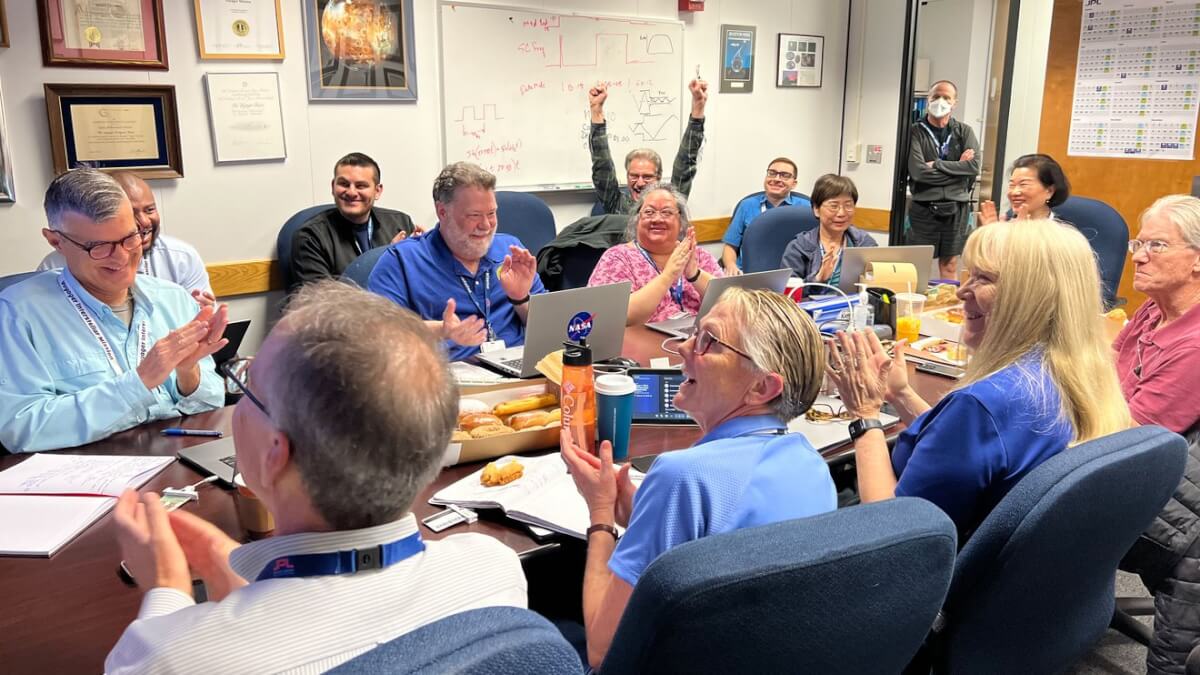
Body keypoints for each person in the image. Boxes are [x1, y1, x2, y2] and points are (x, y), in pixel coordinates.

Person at [104, 282, 527, 674]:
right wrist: (227, 570)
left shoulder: (173, 657)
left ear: (275, 455)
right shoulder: (493, 570)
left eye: (246, 383)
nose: (241, 390)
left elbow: (170, 658)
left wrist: (166, 591)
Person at [561, 287, 836, 669]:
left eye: (709, 341)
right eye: (695, 331)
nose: (684, 347)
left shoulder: (681, 475)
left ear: (762, 386)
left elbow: (604, 651)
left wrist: (602, 513)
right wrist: (639, 512)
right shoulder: (811, 464)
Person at [827, 220, 1130, 539]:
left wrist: (865, 416)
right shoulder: (1074, 375)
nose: (961, 291)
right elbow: (968, 447)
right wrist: (900, 394)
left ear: (1028, 298)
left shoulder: (983, 404)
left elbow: (890, 533)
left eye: (982, 278)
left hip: (930, 575)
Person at [0, 169, 226, 453]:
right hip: (84, 477)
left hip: (176, 462)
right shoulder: (18, 313)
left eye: (130, 238)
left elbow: (211, 402)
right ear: (56, 242)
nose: (121, 257)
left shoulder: (172, 298)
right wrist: (139, 382)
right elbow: (21, 429)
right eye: (99, 247)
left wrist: (187, 371)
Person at [1110, 195, 1200, 675]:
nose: (1139, 256)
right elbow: (1106, 371)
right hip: (1131, 458)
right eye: (1137, 243)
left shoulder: (1196, 345)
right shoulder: (1153, 309)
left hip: (1170, 512)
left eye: (1157, 245)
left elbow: (1128, 436)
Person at [368, 162, 545, 361]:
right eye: (474, 215)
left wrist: (520, 299)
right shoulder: (401, 260)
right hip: (446, 380)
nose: (486, 225)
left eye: (492, 213)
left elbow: (547, 331)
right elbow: (380, 334)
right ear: (442, 212)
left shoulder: (510, 250)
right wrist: (441, 330)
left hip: (519, 377)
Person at [38, 171, 214, 305]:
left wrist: (199, 316)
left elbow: (204, 325)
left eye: (150, 209)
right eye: (101, 246)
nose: (144, 222)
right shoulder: (52, 271)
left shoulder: (180, 258)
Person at [587, 183, 723, 325]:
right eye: (649, 212)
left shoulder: (699, 256)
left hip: (698, 341)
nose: (657, 219)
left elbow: (733, 305)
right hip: (643, 344)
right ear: (637, 219)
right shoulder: (617, 259)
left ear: (681, 221)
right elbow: (614, 317)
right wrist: (668, 275)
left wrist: (695, 275)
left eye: (667, 212)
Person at [288, 152, 419, 292]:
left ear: (377, 191)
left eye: (361, 186)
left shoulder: (400, 223)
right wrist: (386, 258)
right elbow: (323, 303)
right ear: (333, 187)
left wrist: (429, 248)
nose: (351, 192)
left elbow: (415, 283)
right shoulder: (310, 237)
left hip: (396, 310)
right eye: (344, 184)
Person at [588, 78, 708, 215]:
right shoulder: (617, 205)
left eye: (647, 177)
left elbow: (685, 164)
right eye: (634, 176)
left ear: (658, 178)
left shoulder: (670, 204)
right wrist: (596, 111)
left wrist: (698, 108)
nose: (639, 183)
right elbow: (602, 165)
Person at [907, 80, 981, 280]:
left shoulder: (964, 132)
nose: (940, 101)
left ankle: (947, 307)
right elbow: (919, 173)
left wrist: (937, 164)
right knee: (917, 266)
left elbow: (973, 166)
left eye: (946, 97)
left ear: (954, 103)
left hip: (956, 208)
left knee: (950, 265)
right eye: (936, 96)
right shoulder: (914, 131)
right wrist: (958, 168)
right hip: (923, 207)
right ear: (928, 99)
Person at [780, 174, 877, 284]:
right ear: (816, 209)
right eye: (834, 206)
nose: (841, 213)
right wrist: (818, 279)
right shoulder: (799, 247)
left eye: (848, 206)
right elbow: (787, 293)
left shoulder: (864, 243)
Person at [721, 157, 811, 274]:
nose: (777, 179)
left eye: (785, 175)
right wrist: (730, 265)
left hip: (792, 275)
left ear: (794, 183)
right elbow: (731, 245)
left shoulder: (806, 208)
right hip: (749, 274)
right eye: (772, 173)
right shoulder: (747, 205)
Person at [978, 153, 1072, 225]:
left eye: (1023, 184)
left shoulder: (1063, 233)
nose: (1014, 192)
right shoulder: (1005, 225)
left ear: (1050, 191)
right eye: (1012, 185)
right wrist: (990, 235)